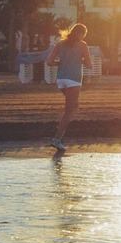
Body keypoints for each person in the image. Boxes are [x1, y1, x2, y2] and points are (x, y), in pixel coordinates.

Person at [45, 23, 93, 152]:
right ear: (81, 34)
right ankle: (57, 138)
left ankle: (60, 131)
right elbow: (89, 65)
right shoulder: (83, 45)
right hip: (74, 80)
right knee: (69, 111)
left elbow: (49, 62)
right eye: (84, 34)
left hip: (61, 80)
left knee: (74, 105)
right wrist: (81, 61)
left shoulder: (60, 44)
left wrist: (62, 62)